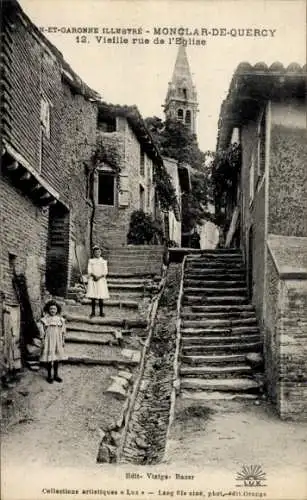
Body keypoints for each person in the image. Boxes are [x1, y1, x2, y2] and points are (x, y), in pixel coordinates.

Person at [38, 300, 66, 384]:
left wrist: (63, 340)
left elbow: (63, 331)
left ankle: (56, 375)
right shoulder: (45, 319)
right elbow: (42, 331)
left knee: (56, 358)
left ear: (57, 310)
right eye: (51, 309)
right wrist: (43, 340)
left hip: (58, 340)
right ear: (48, 309)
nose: (52, 310)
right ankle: (49, 375)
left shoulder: (60, 320)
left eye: (54, 309)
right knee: (50, 359)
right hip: (49, 340)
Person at [86, 245, 110, 318]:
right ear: (93, 253)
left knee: (100, 296)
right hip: (93, 279)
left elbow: (105, 271)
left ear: (100, 253)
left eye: (99, 252)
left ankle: (101, 312)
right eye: (96, 252)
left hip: (101, 280)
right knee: (93, 296)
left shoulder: (103, 261)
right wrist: (94, 276)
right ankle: (93, 312)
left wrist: (99, 277)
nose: (97, 253)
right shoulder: (91, 261)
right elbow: (89, 270)